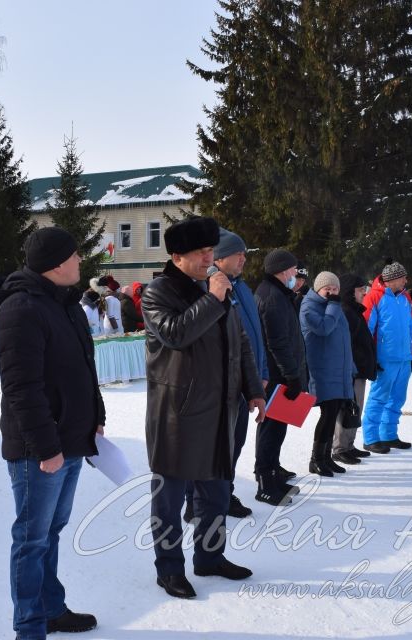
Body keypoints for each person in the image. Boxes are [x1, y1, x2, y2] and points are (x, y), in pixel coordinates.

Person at [0, 226, 104, 638]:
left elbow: (84, 369)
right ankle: (29, 626)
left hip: (68, 439)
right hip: (40, 449)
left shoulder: (64, 303)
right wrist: (45, 446)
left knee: (50, 531)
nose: (79, 262)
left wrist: (96, 415)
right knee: (32, 538)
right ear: (56, 264)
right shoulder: (21, 309)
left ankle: (51, 609)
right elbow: (21, 388)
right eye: (74, 256)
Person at [142, 216, 264, 600]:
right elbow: (177, 334)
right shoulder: (158, 292)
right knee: (170, 498)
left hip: (220, 410)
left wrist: (254, 388)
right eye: (201, 253)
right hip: (177, 413)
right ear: (177, 257)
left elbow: (239, 342)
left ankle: (210, 557)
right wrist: (213, 298)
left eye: (211, 252)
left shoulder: (216, 288)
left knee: (214, 494)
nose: (209, 259)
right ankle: (169, 568)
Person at [184, 228, 268, 521]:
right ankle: (196, 501)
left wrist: (260, 375)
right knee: (211, 448)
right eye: (238, 254)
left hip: (244, 382)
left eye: (244, 253)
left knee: (236, 443)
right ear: (218, 259)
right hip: (221, 386)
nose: (244, 258)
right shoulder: (209, 289)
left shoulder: (241, 287)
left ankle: (224, 492)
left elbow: (253, 336)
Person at [254, 248, 306, 505]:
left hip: (280, 373)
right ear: (282, 270)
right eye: (294, 269)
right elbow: (277, 342)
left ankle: (272, 470)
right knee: (271, 428)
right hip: (276, 375)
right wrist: (291, 375)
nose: (296, 274)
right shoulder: (272, 296)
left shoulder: (278, 293)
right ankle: (265, 481)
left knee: (276, 426)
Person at [301, 271, 355, 476]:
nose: (332, 293)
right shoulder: (309, 307)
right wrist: (333, 304)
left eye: (335, 290)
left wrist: (350, 367)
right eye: (327, 289)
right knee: (328, 413)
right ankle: (316, 459)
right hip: (321, 369)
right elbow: (324, 328)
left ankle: (326, 457)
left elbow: (343, 340)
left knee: (333, 413)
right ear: (318, 289)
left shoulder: (333, 307)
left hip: (337, 369)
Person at [361, 259, 412, 453]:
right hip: (384, 359)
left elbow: (410, 327)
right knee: (379, 398)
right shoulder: (373, 297)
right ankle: (370, 438)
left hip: (403, 358)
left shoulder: (405, 297)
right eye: (402, 277)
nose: (405, 281)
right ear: (392, 279)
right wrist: (371, 359)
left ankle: (389, 435)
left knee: (397, 398)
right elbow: (367, 331)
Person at [332, 273, 376, 464]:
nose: (364, 293)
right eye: (360, 290)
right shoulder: (346, 311)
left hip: (359, 369)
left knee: (356, 408)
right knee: (347, 409)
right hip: (351, 370)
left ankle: (349, 445)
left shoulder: (355, 310)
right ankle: (340, 447)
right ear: (350, 292)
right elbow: (346, 344)